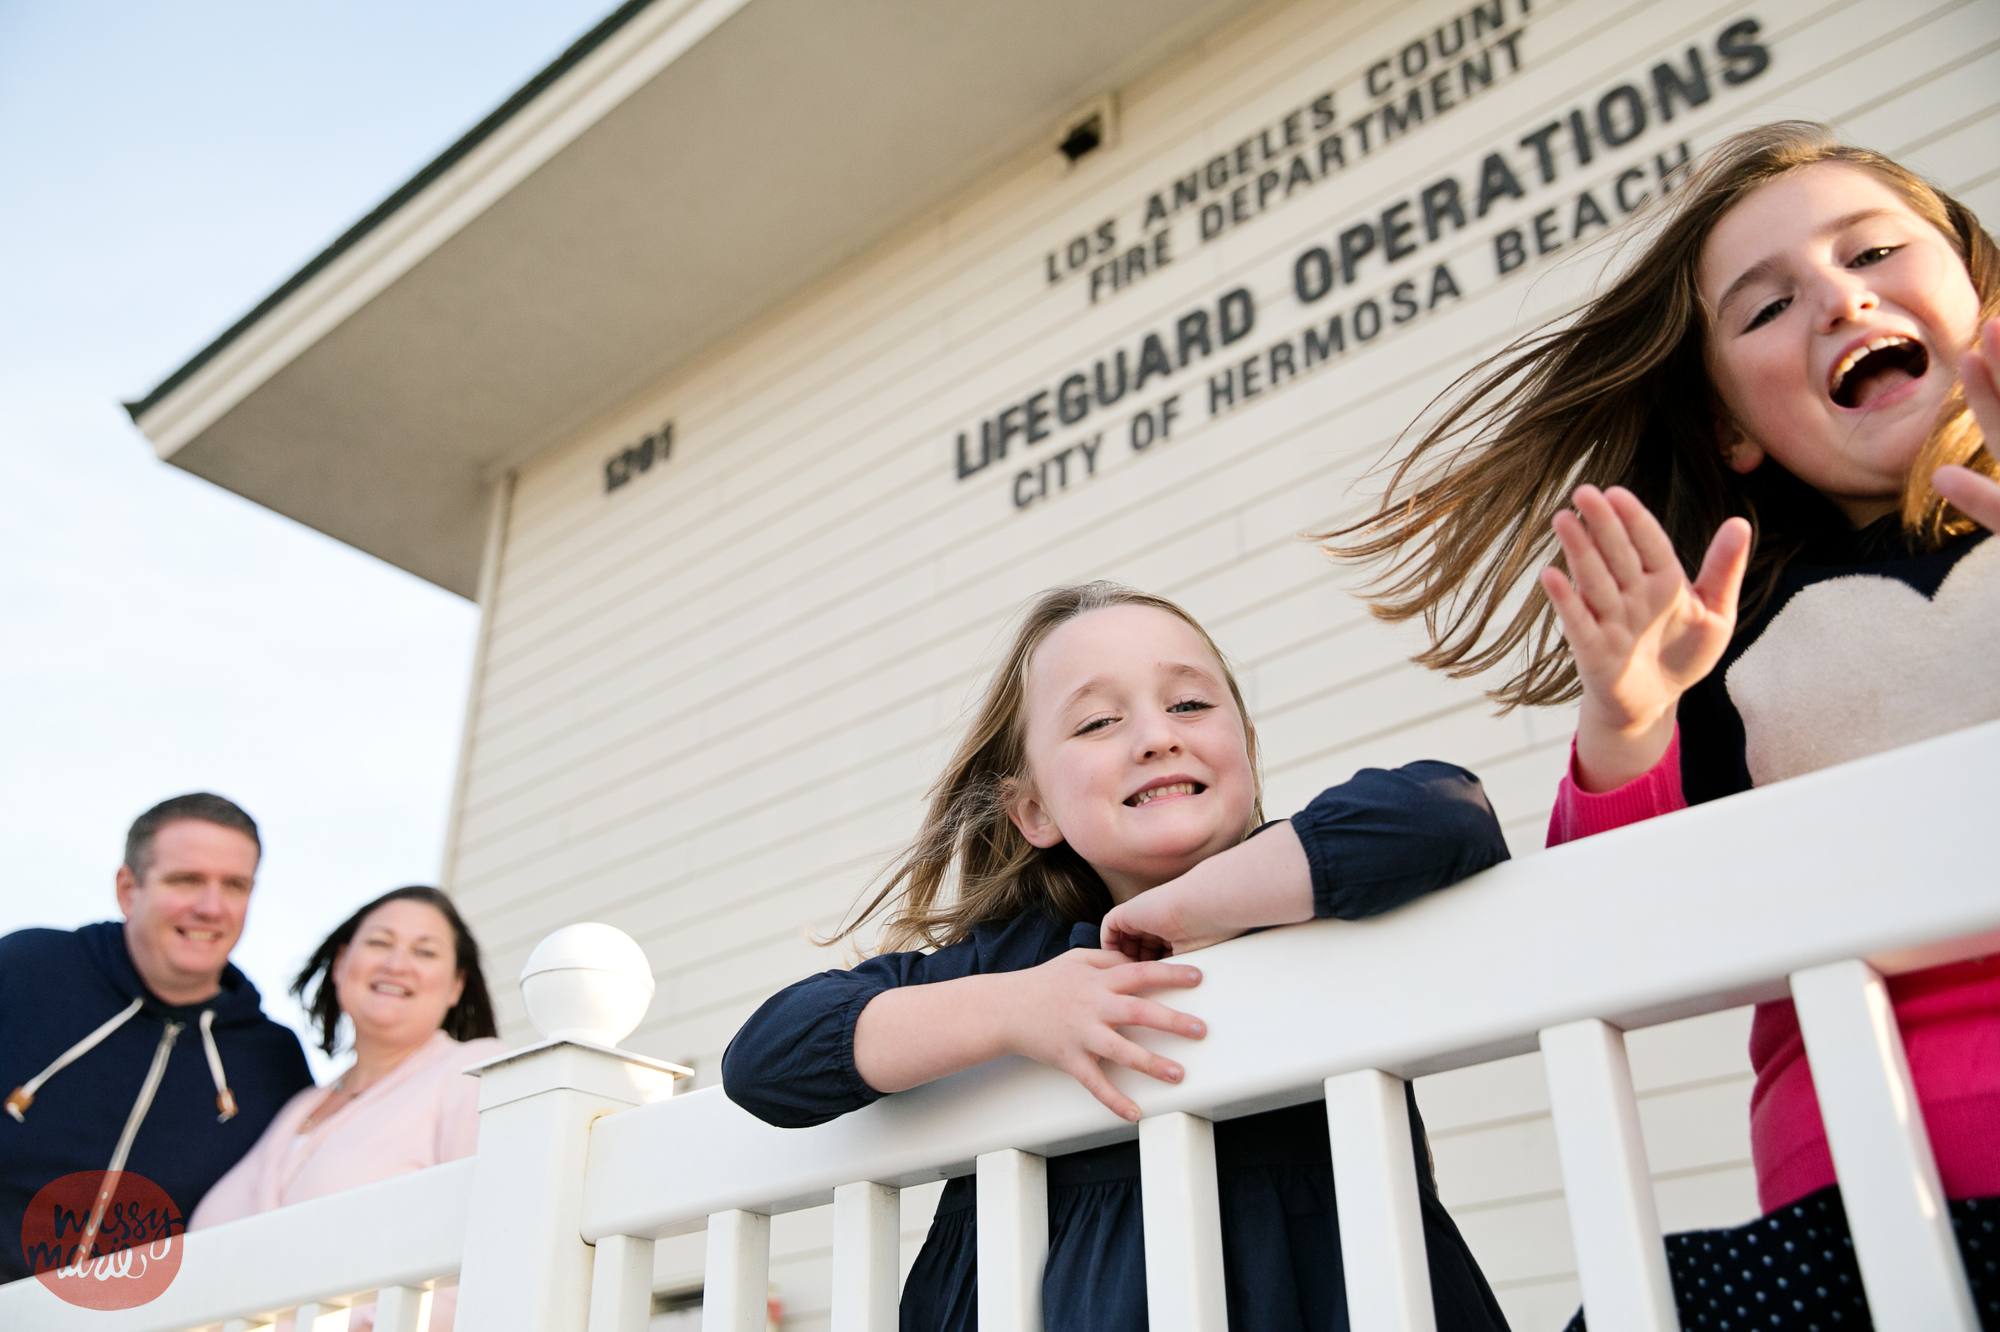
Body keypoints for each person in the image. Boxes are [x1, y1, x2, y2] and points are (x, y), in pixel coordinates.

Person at [1323, 121, 1999, 1325]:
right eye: (1765, 307)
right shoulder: (1729, 642)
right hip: (1854, 1215)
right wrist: (1630, 717)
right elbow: (1613, 948)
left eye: (1873, 252)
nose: (1839, 302)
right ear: (1734, 428)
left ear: (1973, 288)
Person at [723, 582, 1512, 1331]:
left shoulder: (1311, 896)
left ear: (1245, 748)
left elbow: (1450, 814)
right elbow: (768, 1059)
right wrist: (1015, 1010)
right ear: (1033, 810)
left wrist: (1194, 908)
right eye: (1097, 722)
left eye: (1191, 703)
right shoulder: (1016, 963)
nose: (1158, 735)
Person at [0, 793, 313, 1284]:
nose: (212, 907)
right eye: (186, 880)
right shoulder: (26, 970)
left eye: (234, 886)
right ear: (128, 889)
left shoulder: (272, 1060)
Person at [191, 885, 502, 1331]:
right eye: (379, 943)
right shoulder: (300, 1104)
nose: (397, 963)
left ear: (456, 986)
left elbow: (496, 1245)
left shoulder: (472, 1073)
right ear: (341, 965)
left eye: (425, 951)